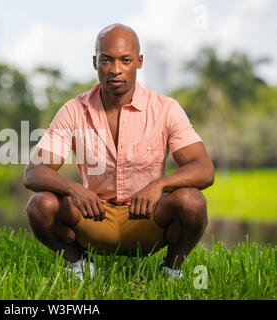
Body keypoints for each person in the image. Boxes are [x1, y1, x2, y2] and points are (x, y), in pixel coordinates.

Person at [23, 23, 214, 280]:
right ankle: (78, 265)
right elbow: (34, 172)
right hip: (95, 217)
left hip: (147, 218)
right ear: (94, 62)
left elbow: (203, 169)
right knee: (40, 205)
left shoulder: (166, 109)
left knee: (192, 201)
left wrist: (160, 185)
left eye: (125, 60)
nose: (115, 70)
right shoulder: (73, 110)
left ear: (139, 61)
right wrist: (74, 189)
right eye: (106, 60)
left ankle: (171, 270)